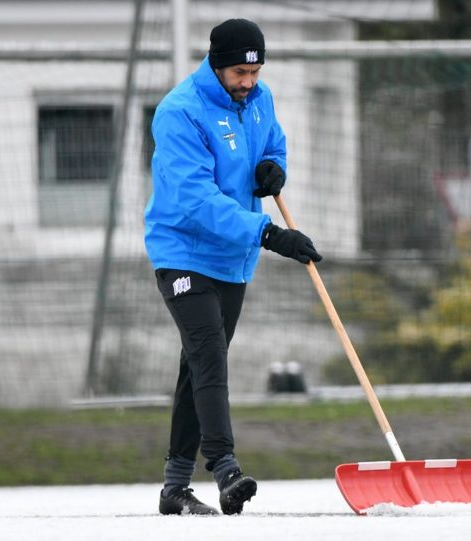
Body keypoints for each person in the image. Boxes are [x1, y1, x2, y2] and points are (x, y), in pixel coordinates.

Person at [144, 18, 322, 516]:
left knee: (195, 366)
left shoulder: (259, 99)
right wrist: (267, 233)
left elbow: (272, 144)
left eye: (256, 71)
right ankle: (225, 468)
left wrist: (273, 167)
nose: (249, 82)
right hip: (183, 251)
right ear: (218, 65)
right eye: (240, 73)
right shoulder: (180, 112)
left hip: (232, 259)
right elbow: (196, 200)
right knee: (209, 356)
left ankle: (174, 487)